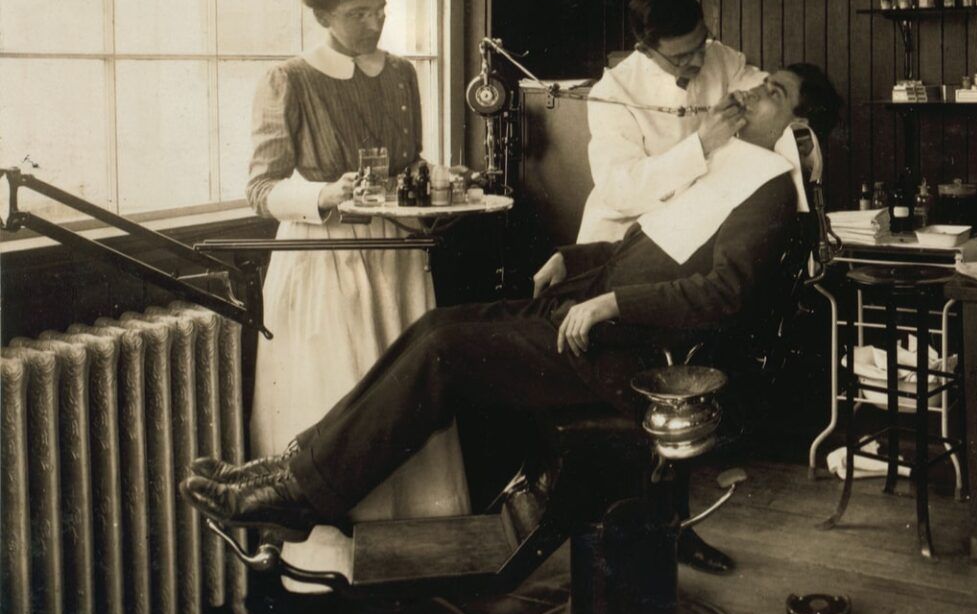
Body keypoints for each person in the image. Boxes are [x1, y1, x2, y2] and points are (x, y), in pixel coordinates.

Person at [183, 65, 843, 552]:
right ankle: (293, 471)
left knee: (444, 352)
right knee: (435, 326)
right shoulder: (726, 164)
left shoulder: (768, 192)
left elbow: (723, 296)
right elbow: (648, 248)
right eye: (759, 81)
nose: (750, 91)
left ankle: (299, 494)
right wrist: (573, 260)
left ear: (798, 128)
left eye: (772, 92)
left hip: (629, 353)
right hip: (594, 313)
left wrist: (611, 302)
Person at [243, 0, 469, 577]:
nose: (373, 24)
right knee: (337, 397)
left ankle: (412, 551)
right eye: (357, 14)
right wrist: (324, 194)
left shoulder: (400, 74)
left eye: (380, 11)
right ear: (322, 16)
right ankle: (325, 562)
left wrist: (436, 180)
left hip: (393, 257)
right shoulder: (288, 80)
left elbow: (407, 165)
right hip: (324, 259)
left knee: (406, 395)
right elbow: (261, 189)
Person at [577, 0, 767, 243]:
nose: (699, 61)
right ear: (645, 51)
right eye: (681, 57)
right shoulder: (613, 92)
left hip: (699, 218)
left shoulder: (722, 58)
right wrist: (701, 145)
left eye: (701, 44)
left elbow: (764, 92)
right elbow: (621, 190)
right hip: (627, 230)